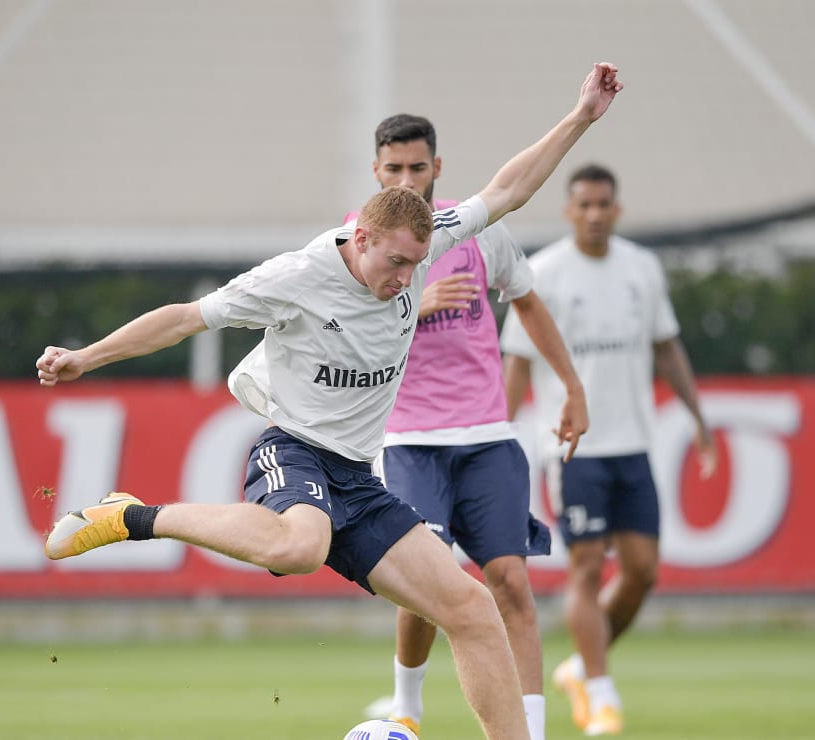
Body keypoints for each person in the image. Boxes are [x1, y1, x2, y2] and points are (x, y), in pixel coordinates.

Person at [37, 63, 623, 740]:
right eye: (395, 265)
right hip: (295, 451)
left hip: (357, 475)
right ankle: (137, 516)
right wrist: (85, 357)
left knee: (471, 607)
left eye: (416, 265)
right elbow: (183, 318)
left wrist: (582, 115)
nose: (406, 281)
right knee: (300, 546)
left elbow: (510, 188)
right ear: (362, 237)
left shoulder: (427, 242)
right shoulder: (297, 276)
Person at [351, 113, 588, 740]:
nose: (407, 177)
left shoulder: (477, 232)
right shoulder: (359, 246)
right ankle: (407, 707)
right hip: (408, 441)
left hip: (486, 436)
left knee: (510, 582)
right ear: (376, 172)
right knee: (425, 584)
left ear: (437, 168)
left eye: (417, 167)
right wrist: (410, 303)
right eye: (394, 168)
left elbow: (529, 304)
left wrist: (571, 386)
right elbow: (339, 341)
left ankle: (530, 732)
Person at [500, 163, 716, 737]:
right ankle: (600, 692)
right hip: (573, 447)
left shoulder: (641, 268)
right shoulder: (541, 272)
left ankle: (581, 668)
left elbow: (667, 349)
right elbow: (516, 363)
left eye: (604, 204)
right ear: (569, 211)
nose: (595, 214)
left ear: (617, 209)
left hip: (634, 444)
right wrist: (496, 436)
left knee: (643, 571)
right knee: (588, 568)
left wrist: (699, 418)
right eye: (584, 205)